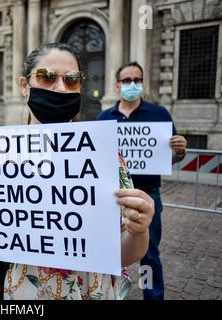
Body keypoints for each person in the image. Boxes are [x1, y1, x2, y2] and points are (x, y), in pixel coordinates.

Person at [0, 43, 155, 300]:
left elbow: (125, 253)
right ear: (24, 85)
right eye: (47, 77)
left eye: (71, 80)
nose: (60, 88)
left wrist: (139, 230)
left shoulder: (106, 157)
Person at [96, 61, 187, 300]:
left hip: (148, 195)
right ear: (117, 86)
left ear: (143, 84)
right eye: (127, 81)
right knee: (109, 250)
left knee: (149, 254)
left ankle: (153, 297)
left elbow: (173, 157)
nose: (132, 84)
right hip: (111, 199)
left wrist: (179, 149)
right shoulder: (104, 118)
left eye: (137, 80)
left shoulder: (159, 114)